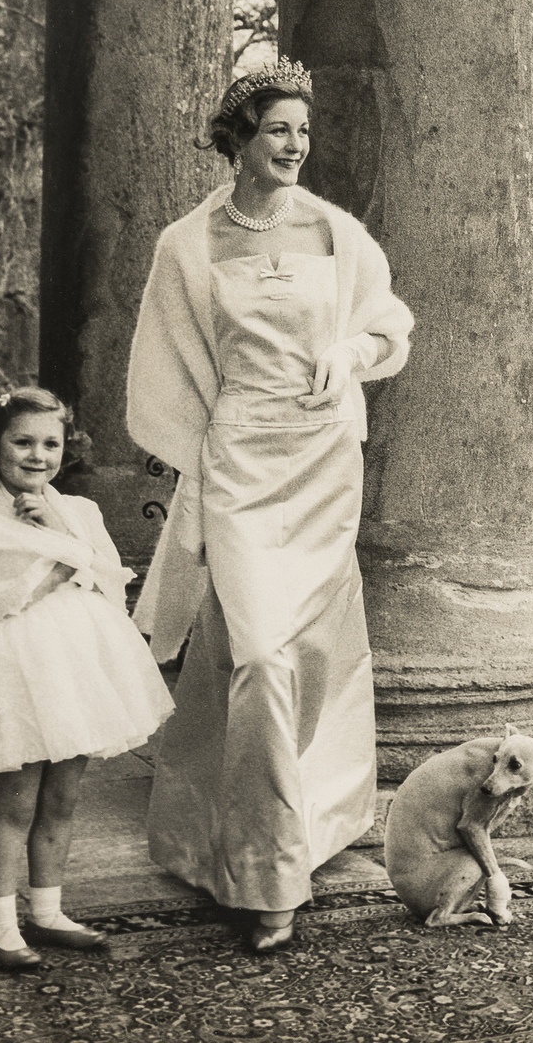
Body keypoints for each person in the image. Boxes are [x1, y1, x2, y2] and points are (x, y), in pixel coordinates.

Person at [127, 57, 413, 952]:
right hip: (241, 462)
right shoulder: (187, 243)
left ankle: (290, 838)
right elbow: (165, 368)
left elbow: (387, 323)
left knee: (307, 655)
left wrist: (353, 353)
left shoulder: (335, 232)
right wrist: (200, 467)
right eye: (277, 130)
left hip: (323, 459)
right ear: (238, 140)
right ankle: (264, 871)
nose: (295, 145)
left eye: (302, 131)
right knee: (253, 655)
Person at [0, 387, 174, 971]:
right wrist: (51, 567)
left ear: (65, 451)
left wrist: (55, 523)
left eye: (50, 443)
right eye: (22, 441)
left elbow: (111, 578)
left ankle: (48, 912)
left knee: (64, 798)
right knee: (17, 804)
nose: (36, 455)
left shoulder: (79, 511)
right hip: (14, 670)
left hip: (75, 666)